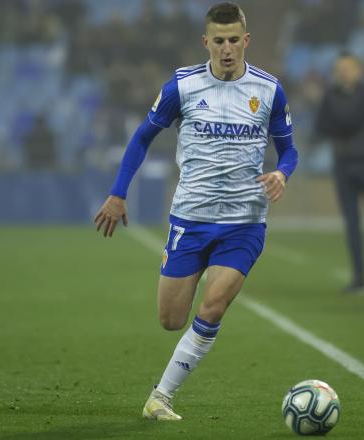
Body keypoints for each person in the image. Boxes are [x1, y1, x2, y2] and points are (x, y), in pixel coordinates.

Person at [93, 2, 298, 421]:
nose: (227, 49)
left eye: (234, 40)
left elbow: (289, 148)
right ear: (206, 42)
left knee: (213, 307)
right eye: (218, 41)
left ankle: (161, 397)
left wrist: (282, 173)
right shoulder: (182, 88)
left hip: (244, 221)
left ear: (246, 41)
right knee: (171, 319)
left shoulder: (269, 89)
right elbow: (141, 138)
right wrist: (118, 193)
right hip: (190, 217)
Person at [314, 53, 364, 293]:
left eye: (348, 68)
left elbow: (347, 121)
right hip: (343, 164)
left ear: (359, 70)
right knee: (352, 223)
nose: (344, 73)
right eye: (340, 68)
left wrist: (338, 125)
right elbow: (321, 126)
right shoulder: (330, 96)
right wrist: (340, 126)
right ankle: (359, 278)